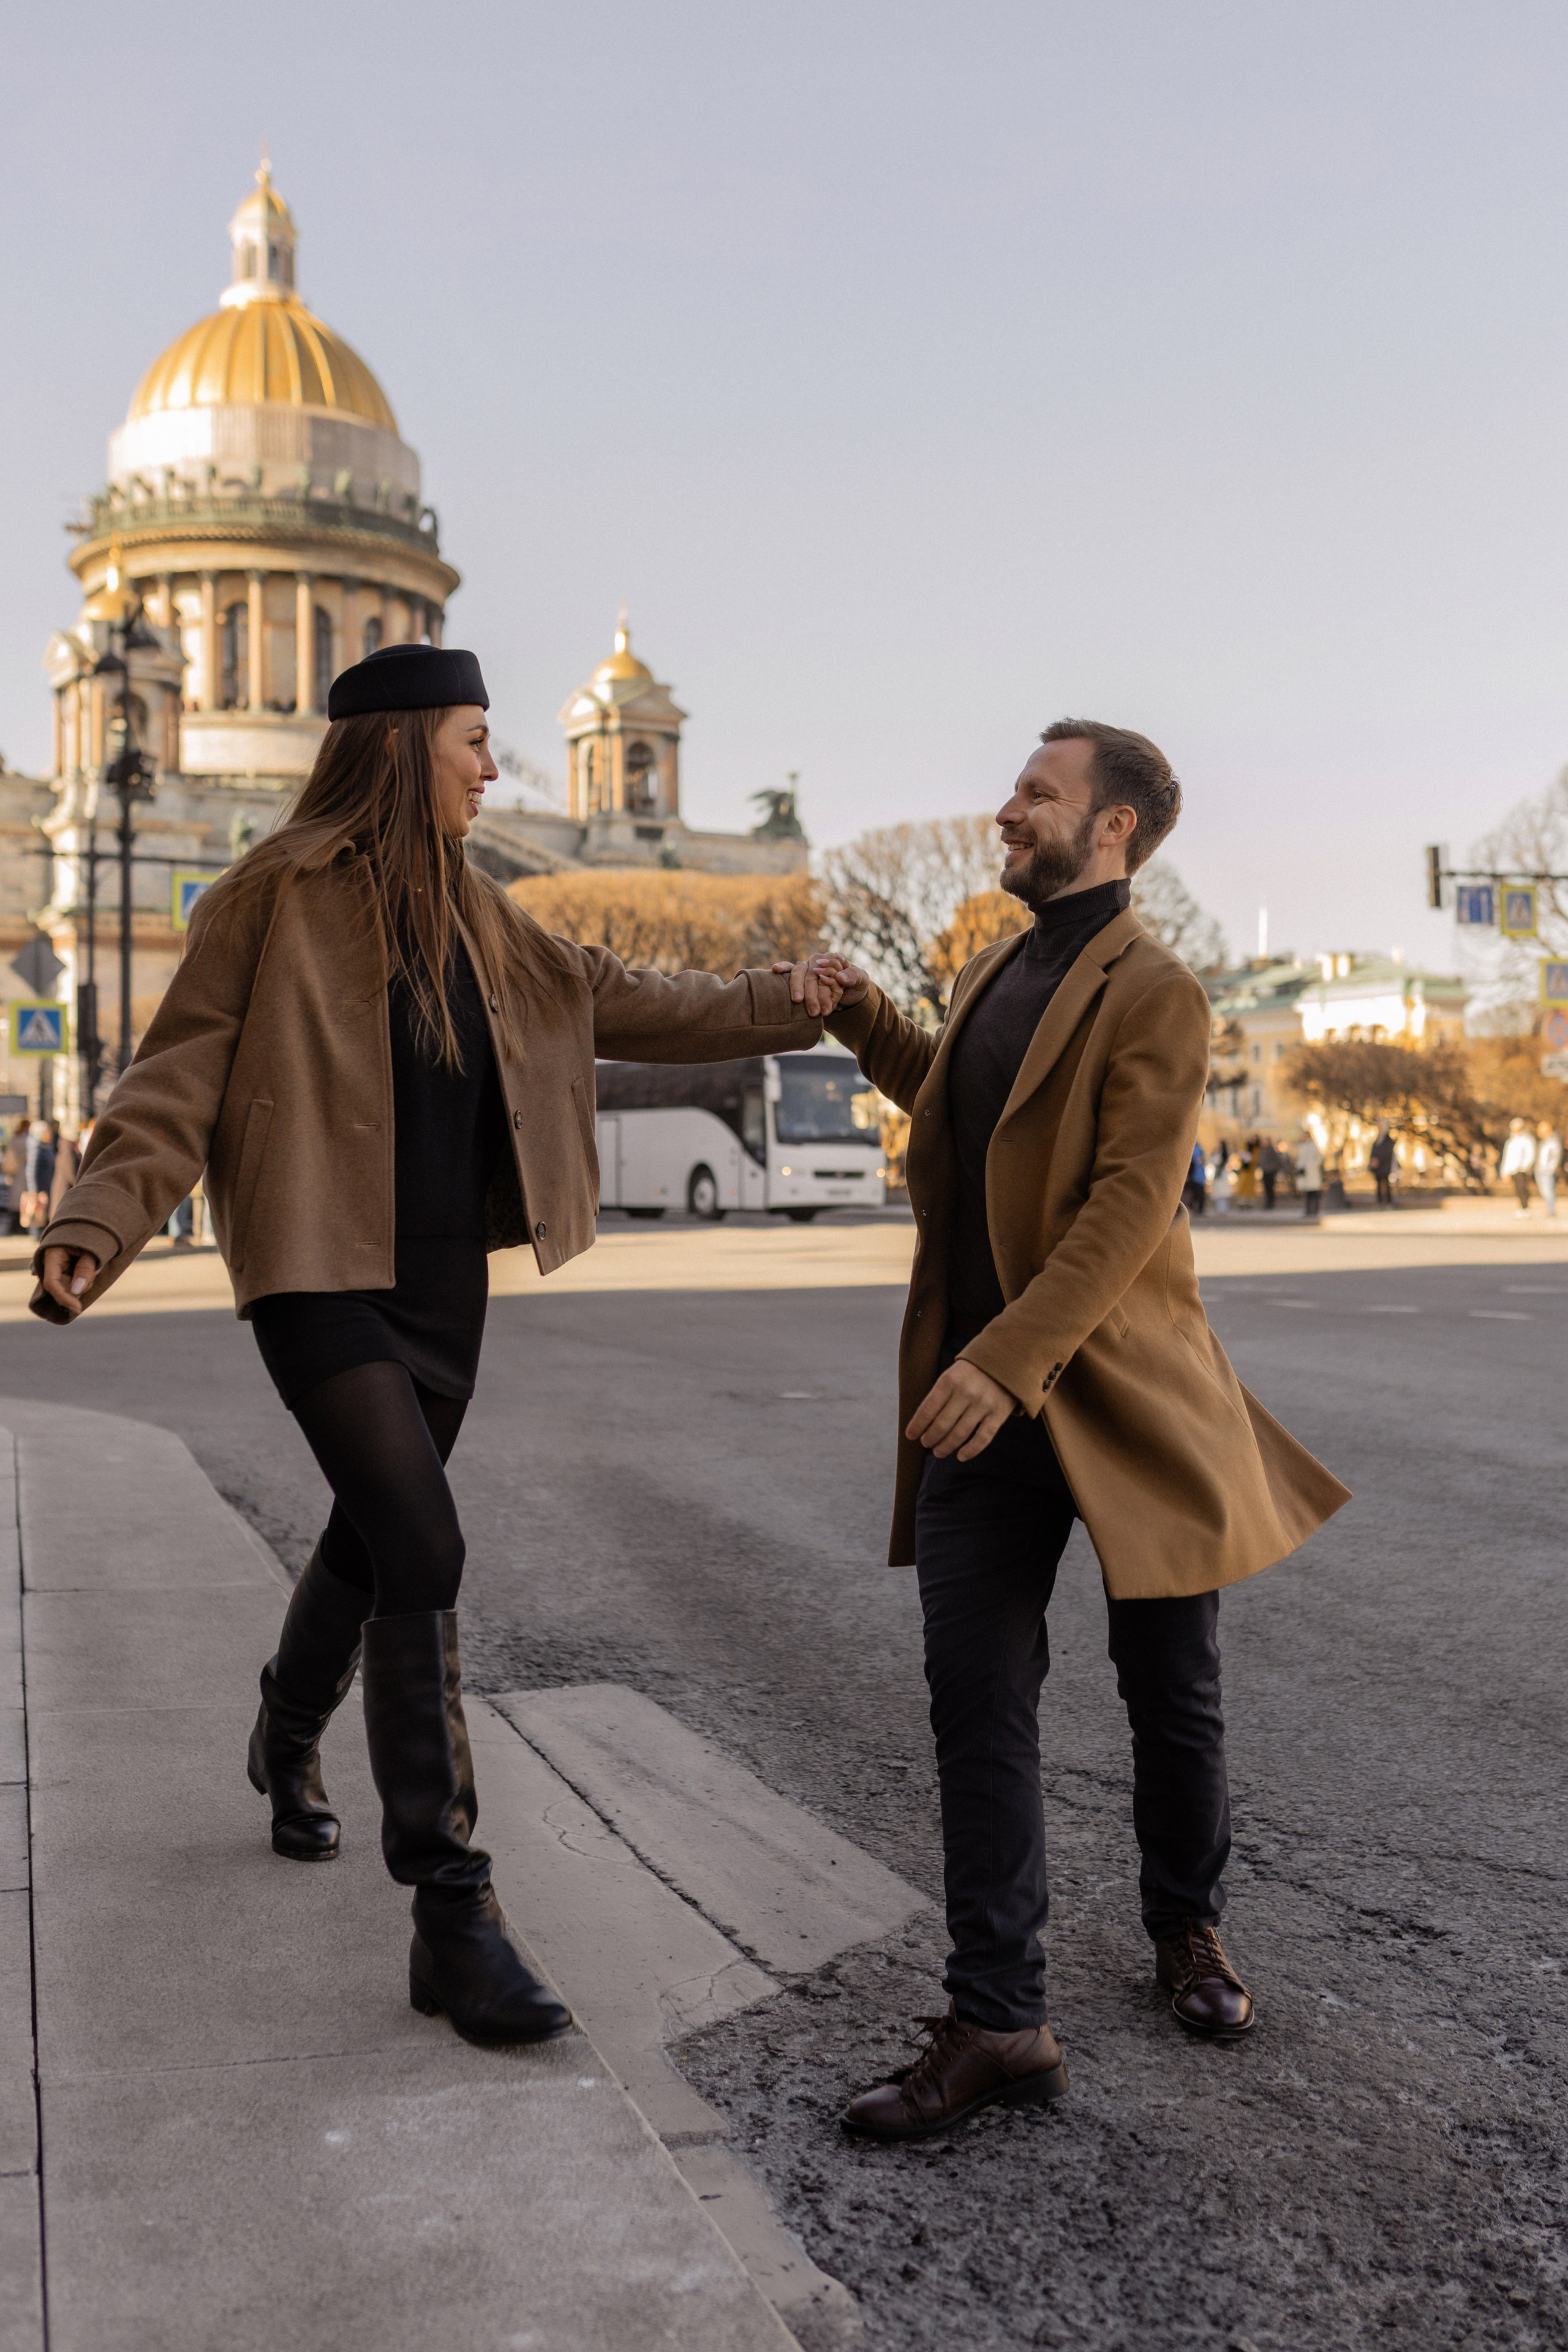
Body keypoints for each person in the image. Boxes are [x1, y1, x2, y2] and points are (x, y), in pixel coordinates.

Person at [33, 643, 833, 2048]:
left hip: (439, 1283)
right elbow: (175, 1073)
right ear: (404, 744)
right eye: (472, 738)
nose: (490, 764)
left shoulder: (486, 913)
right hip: (316, 1268)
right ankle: (452, 1913)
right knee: (423, 1538)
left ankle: (284, 1730)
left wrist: (789, 998)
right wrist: (99, 1212)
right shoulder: (268, 892)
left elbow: (627, 996)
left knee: (372, 1538)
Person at [791, 720, 1349, 2143]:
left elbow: (1125, 1203)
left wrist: (1007, 1357)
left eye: (1035, 793)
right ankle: (998, 2018)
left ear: (1113, 827)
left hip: (1115, 1391)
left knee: (1169, 1687)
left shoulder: (1155, 990)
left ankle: (1186, 1928)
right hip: (983, 1398)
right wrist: (863, 1017)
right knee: (974, 1697)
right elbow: (968, 1115)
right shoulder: (995, 968)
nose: (1005, 810)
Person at [1499, 1117, 1536, 1216]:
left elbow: (1530, 1155)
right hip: (1513, 1170)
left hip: (1522, 1170)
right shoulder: (1510, 1142)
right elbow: (1507, 1158)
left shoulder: (1527, 1140)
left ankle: (1526, 1208)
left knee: (1523, 1189)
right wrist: (1505, 1172)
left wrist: (1524, 1167)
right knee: (1517, 1190)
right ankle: (1521, 1208)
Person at [1294, 1127, 1324, 1222]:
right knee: (1307, 1193)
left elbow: (1319, 1158)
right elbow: (1299, 1158)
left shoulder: (1313, 1145)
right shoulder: (1302, 1146)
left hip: (1312, 1173)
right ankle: (1308, 1210)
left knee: (1314, 1193)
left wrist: (1312, 1166)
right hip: (1305, 1174)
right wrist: (1300, 1167)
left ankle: (1315, 1210)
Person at [1368, 1121, 1396, 1208]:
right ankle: (1380, 1202)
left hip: (1385, 1165)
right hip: (1377, 1167)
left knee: (1386, 1184)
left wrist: (1379, 1160)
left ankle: (1389, 1202)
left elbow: (1387, 1153)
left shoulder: (1388, 1140)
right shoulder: (1378, 1139)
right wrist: (1373, 1160)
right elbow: (1373, 1150)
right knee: (1378, 1184)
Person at [1536, 1121, 1561, 1217]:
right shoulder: (1543, 1142)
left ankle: (1551, 1210)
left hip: (1547, 1170)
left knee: (1548, 1190)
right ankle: (1549, 1209)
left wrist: (1551, 1169)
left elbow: (1555, 1157)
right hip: (1540, 1169)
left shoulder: (1553, 1142)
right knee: (1544, 1191)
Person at [1185, 1138, 1207, 1216]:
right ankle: (1197, 1209)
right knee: (1195, 1193)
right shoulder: (1197, 1148)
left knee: (1197, 1193)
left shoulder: (1196, 1149)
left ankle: (1198, 1209)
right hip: (1195, 1175)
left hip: (1196, 1175)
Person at [1259, 1136, 1280, 1213]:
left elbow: (1276, 1161)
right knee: (1266, 1188)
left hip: (1271, 1172)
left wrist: (1273, 1169)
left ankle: (1271, 1203)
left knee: (1270, 1188)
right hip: (1265, 1171)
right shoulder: (1262, 1150)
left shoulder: (1272, 1150)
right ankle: (1267, 1203)